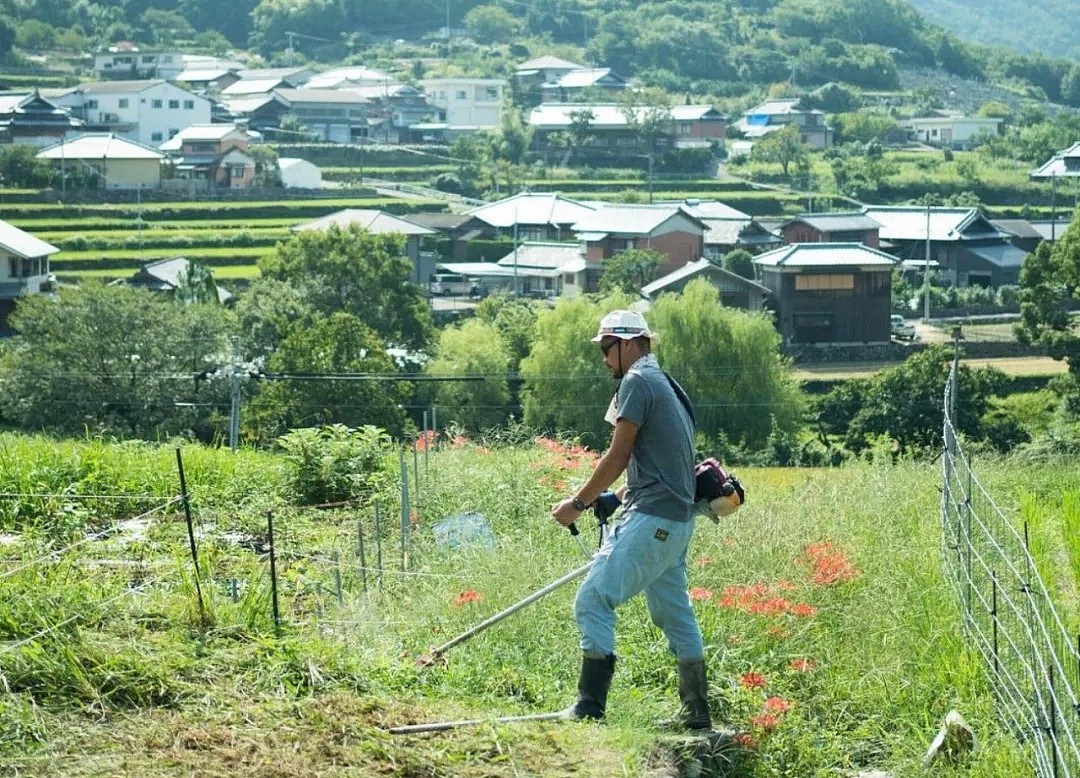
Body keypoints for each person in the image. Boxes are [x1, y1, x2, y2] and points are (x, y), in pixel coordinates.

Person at [551, 309, 710, 730]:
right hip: (677, 523)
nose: (604, 358)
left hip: (653, 519)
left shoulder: (636, 382)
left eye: (607, 348)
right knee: (675, 613)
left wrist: (579, 503)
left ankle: (589, 707)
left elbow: (618, 455)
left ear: (628, 343)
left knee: (593, 599)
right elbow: (663, 464)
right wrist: (616, 497)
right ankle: (697, 713)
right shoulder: (669, 386)